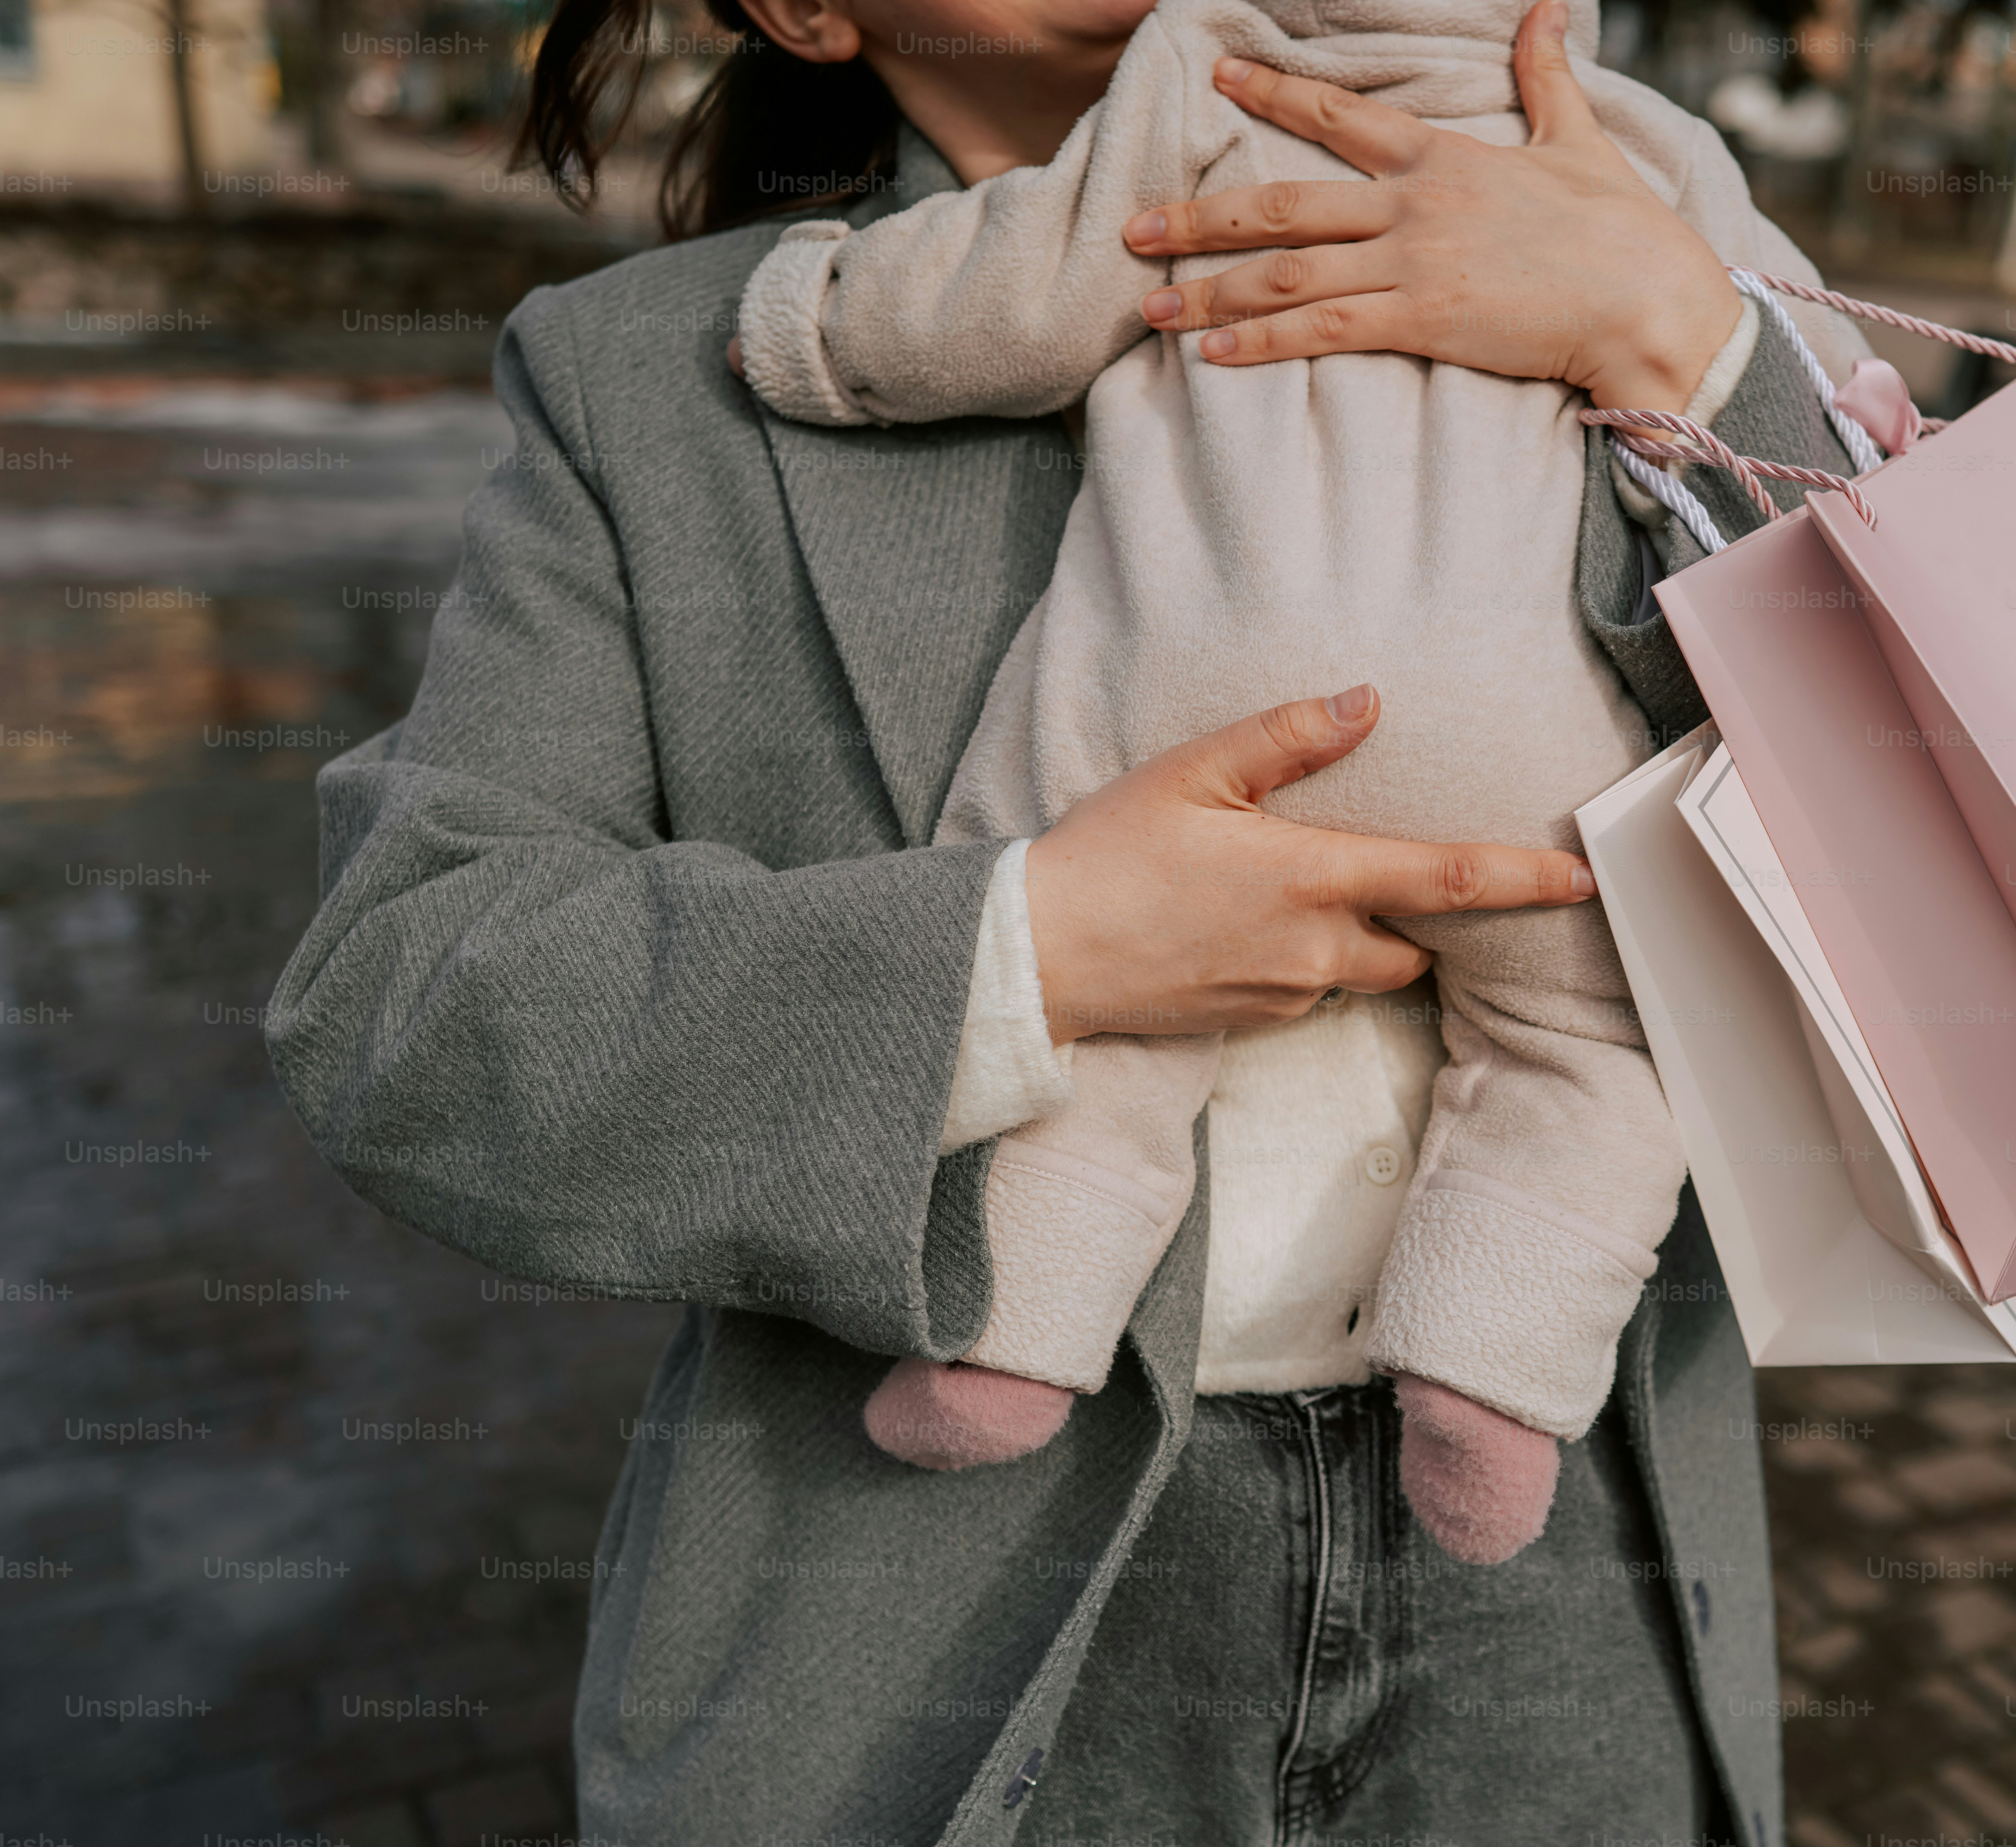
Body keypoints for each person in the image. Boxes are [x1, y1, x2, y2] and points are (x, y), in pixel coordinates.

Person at [264, 0, 1857, 1839]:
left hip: (1574, 1548)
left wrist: (1684, 340)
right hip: (947, 1613)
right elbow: (409, 1000)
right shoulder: (658, 381)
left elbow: (1941, 786)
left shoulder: (1603, 201)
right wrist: (1033, 951)